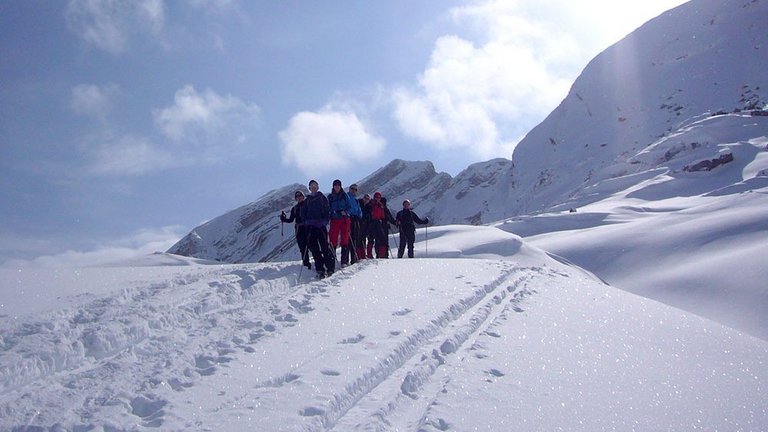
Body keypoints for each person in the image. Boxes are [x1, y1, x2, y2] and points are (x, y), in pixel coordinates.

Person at [301, 179, 335, 278]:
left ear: (318, 187)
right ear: (310, 188)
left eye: (315, 185)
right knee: (315, 250)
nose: (314, 187)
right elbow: (303, 213)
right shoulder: (307, 201)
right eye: (312, 186)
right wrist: (307, 221)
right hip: (311, 228)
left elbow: (327, 210)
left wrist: (324, 221)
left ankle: (330, 268)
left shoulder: (322, 198)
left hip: (321, 226)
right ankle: (320, 269)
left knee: (325, 247)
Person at [279, 190, 311, 269]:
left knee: (312, 246)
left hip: (308, 228)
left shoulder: (308, 205)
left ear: (303, 197)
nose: (299, 198)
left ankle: (316, 263)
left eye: (300, 196)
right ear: (296, 199)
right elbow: (291, 220)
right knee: (302, 248)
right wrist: (284, 219)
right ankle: (306, 264)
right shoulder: (295, 208)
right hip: (299, 229)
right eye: (297, 197)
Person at [328, 179, 354, 267]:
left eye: (338, 185)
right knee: (333, 239)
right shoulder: (330, 197)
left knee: (345, 239)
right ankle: (331, 262)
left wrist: (346, 212)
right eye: (335, 185)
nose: (337, 187)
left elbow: (350, 207)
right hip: (335, 219)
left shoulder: (344, 195)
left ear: (340, 186)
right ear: (333, 186)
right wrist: (331, 213)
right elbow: (328, 208)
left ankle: (344, 261)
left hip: (344, 219)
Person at [367, 192, 396, 258]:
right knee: (374, 239)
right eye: (376, 197)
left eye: (379, 197)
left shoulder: (381, 206)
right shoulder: (371, 205)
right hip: (373, 224)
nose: (377, 198)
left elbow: (388, 216)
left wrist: (394, 222)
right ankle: (374, 254)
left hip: (380, 224)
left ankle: (382, 254)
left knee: (381, 240)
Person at [346, 183, 364, 264]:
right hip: (349, 218)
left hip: (356, 219)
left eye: (355, 189)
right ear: (350, 189)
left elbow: (359, 209)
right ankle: (348, 259)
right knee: (349, 238)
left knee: (355, 237)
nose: (354, 190)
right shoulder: (346, 197)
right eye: (352, 189)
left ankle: (354, 258)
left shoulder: (356, 199)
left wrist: (360, 215)